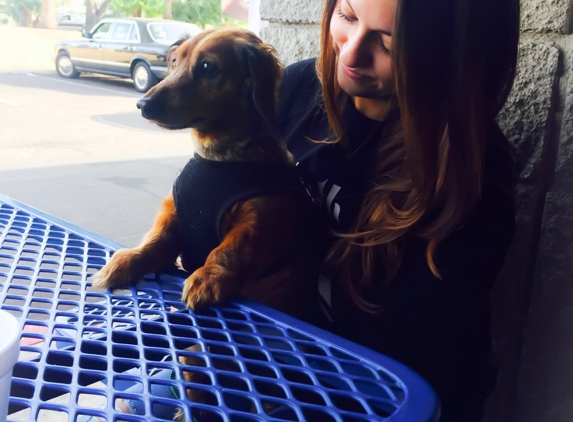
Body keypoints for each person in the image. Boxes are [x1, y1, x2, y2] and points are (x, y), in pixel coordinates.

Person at [277, 0, 519, 421]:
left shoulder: (472, 181)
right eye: (348, 16)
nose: (350, 53)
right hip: (281, 367)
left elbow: (397, 360)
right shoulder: (299, 89)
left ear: (453, 60)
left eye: (390, 45)